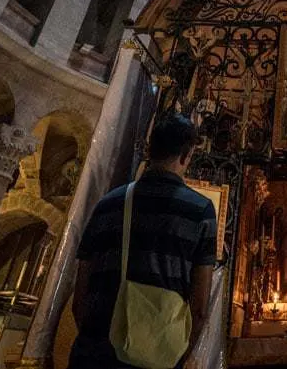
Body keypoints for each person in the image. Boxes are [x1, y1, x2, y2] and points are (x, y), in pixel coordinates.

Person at [70, 115, 217, 369]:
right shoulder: (200, 211)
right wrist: (177, 356)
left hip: (93, 351)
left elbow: (80, 289)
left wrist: (97, 337)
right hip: (156, 356)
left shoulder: (108, 205)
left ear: (150, 150)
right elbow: (200, 307)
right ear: (186, 156)